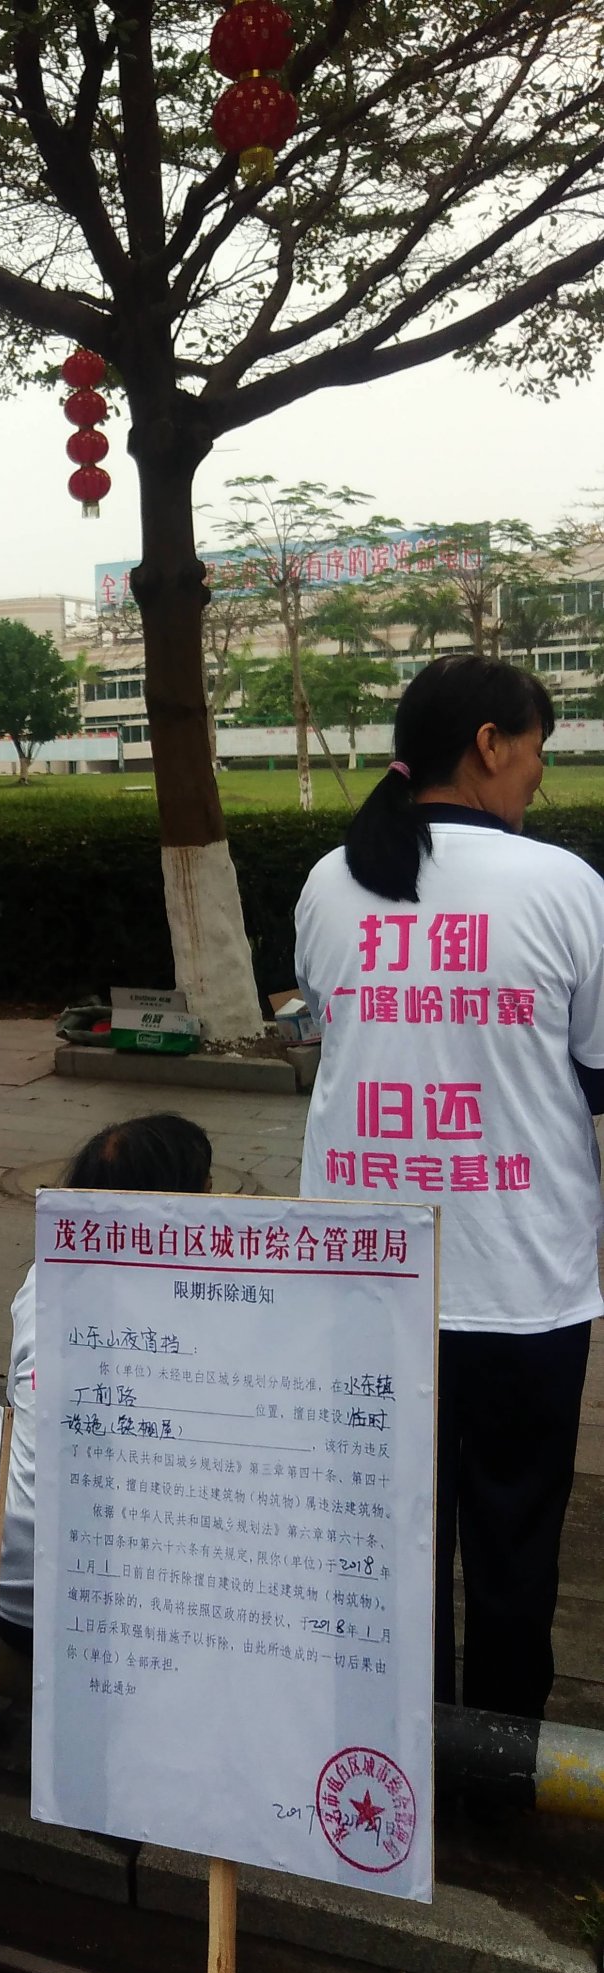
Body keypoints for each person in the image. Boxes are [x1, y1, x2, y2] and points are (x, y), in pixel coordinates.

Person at [295, 652, 604, 1721]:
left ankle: (392, 1756)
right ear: (489, 743)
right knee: (514, 1544)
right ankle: (503, 1768)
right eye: (537, 750)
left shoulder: (327, 883)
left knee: (384, 1541)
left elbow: (339, 1036)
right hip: (521, 1282)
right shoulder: (565, 887)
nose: (539, 775)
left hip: (364, 1279)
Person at [0, 1114, 213, 1659]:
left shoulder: (42, 1281)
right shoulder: (197, 1301)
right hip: (106, 1607)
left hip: (8, 1581)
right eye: (206, 1187)